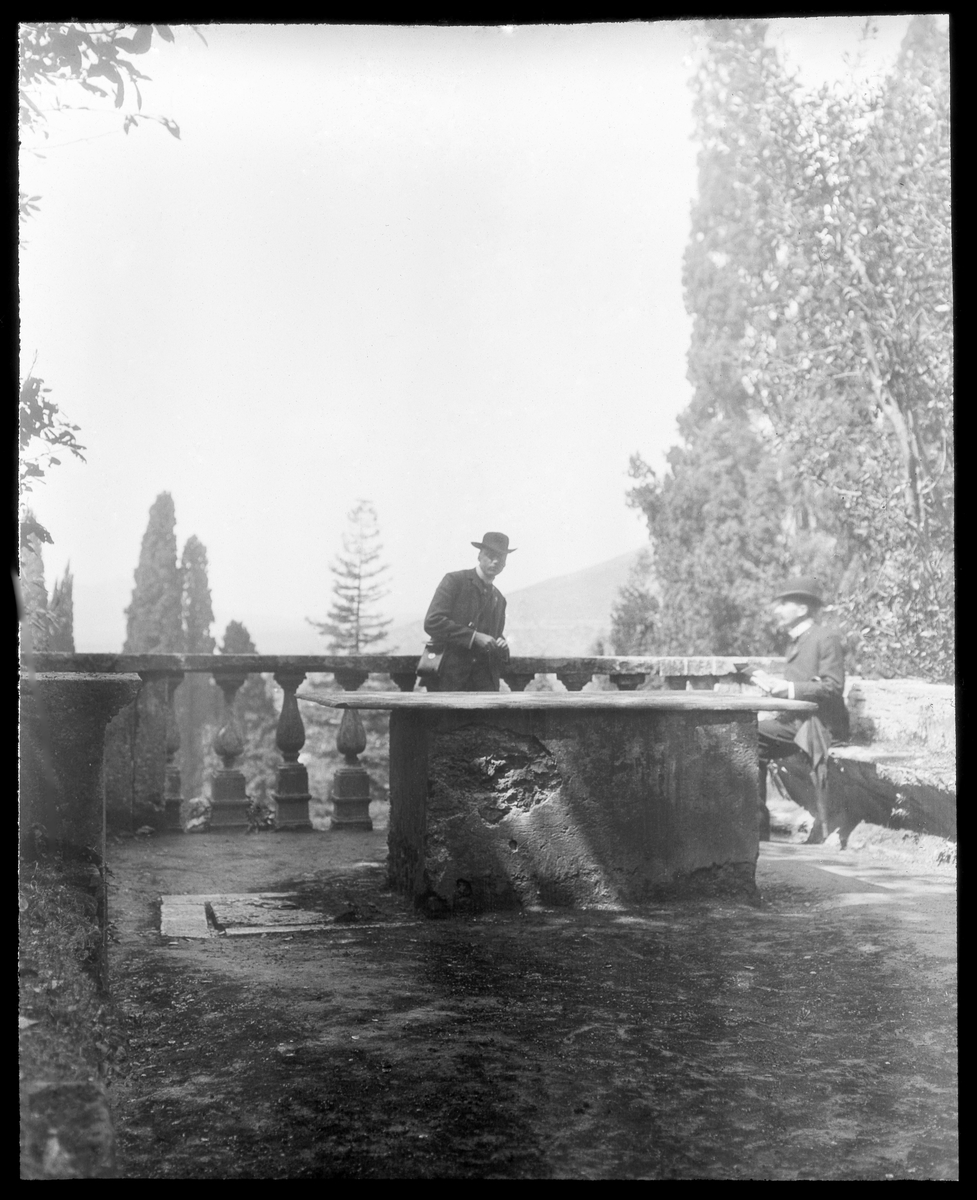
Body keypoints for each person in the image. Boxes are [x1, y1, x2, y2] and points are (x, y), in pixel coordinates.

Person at [750, 576, 849, 840]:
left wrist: (789, 689)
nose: (777, 610)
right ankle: (755, 828)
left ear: (803, 609)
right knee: (748, 734)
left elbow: (833, 687)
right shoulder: (797, 640)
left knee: (750, 736)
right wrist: (775, 686)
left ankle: (756, 830)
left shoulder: (825, 638)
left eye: (784, 604)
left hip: (821, 726)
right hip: (797, 723)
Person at [423, 532, 514, 691]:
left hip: (484, 686)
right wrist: (474, 637)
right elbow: (433, 622)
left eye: (501, 557)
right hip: (450, 682)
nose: (495, 561)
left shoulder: (499, 599)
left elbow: (495, 635)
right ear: (479, 556)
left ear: (505, 563)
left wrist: (501, 645)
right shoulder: (455, 581)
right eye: (490, 555)